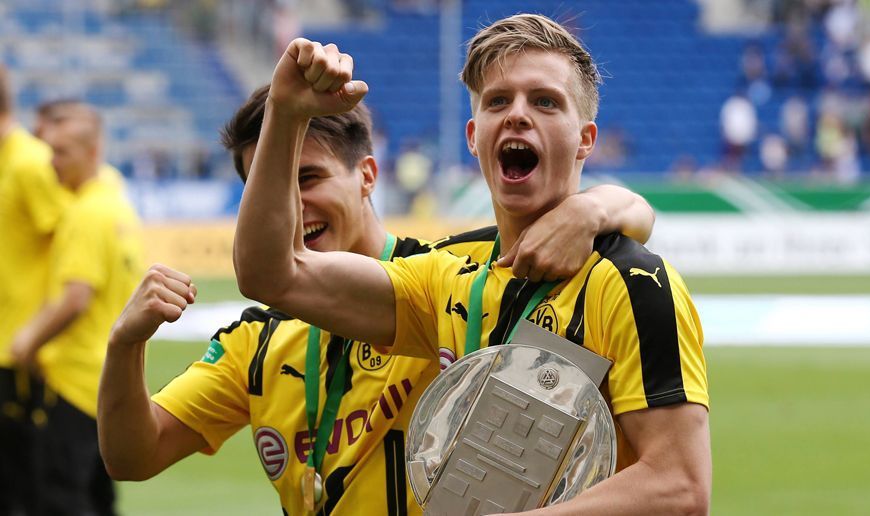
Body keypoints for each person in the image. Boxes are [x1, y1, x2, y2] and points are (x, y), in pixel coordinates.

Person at [98, 84, 655, 515]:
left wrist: (593, 208)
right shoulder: (258, 341)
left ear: (367, 175)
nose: (291, 208)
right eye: (268, 187)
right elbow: (132, 456)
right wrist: (125, 345)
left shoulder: (452, 278)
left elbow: (630, 220)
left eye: (309, 178)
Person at [234, 13, 710, 515]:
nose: (517, 115)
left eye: (545, 101)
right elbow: (272, 274)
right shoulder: (446, 279)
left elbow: (680, 488)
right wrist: (286, 112)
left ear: (586, 139)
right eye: (497, 101)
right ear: (472, 134)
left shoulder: (631, 284)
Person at [10, 101, 142, 515]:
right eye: (49, 151)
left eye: (61, 153)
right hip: (105, 382)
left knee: (59, 499)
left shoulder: (84, 215)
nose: (51, 164)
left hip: (72, 381)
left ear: (91, 152)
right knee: (97, 498)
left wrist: (27, 342)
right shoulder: (116, 203)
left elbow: (76, 296)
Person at [0, 64, 68, 516]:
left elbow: (66, 243)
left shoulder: (29, 163)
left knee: (23, 490)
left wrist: (41, 335)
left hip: (21, 353)